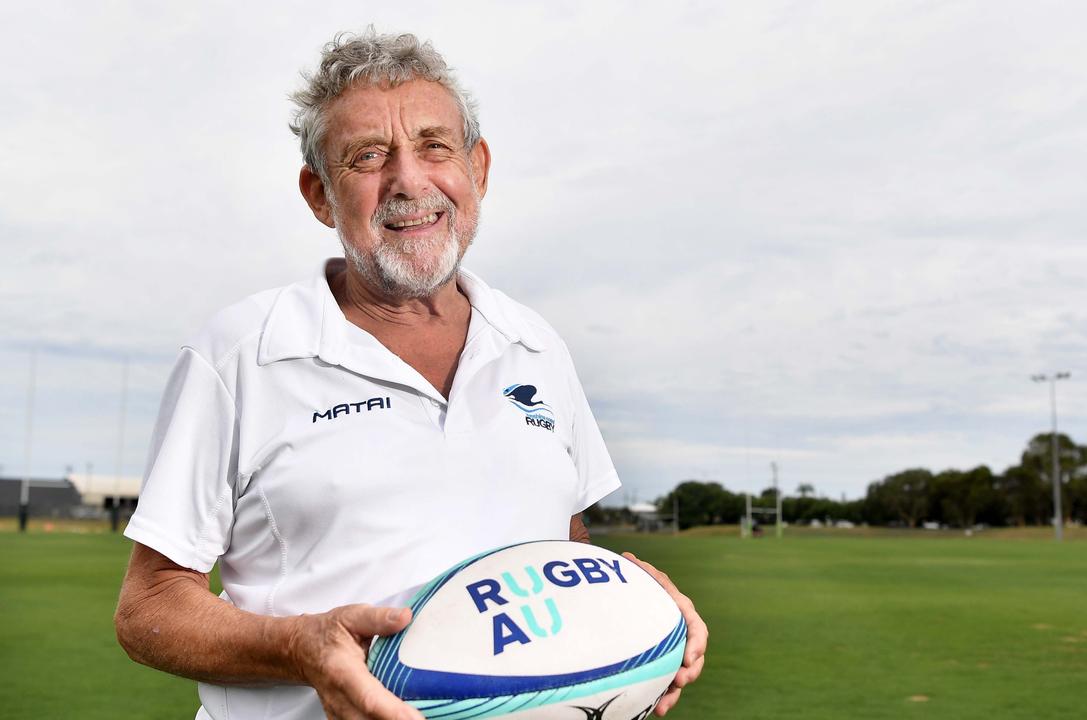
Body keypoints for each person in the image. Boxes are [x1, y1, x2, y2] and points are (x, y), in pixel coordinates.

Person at [114, 29, 707, 720]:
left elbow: (561, 548)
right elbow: (148, 607)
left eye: (435, 145)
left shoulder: (537, 346)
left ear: (477, 168)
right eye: (368, 156)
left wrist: (632, 594)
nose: (409, 180)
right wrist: (297, 646)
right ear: (320, 195)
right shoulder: (241, 352)